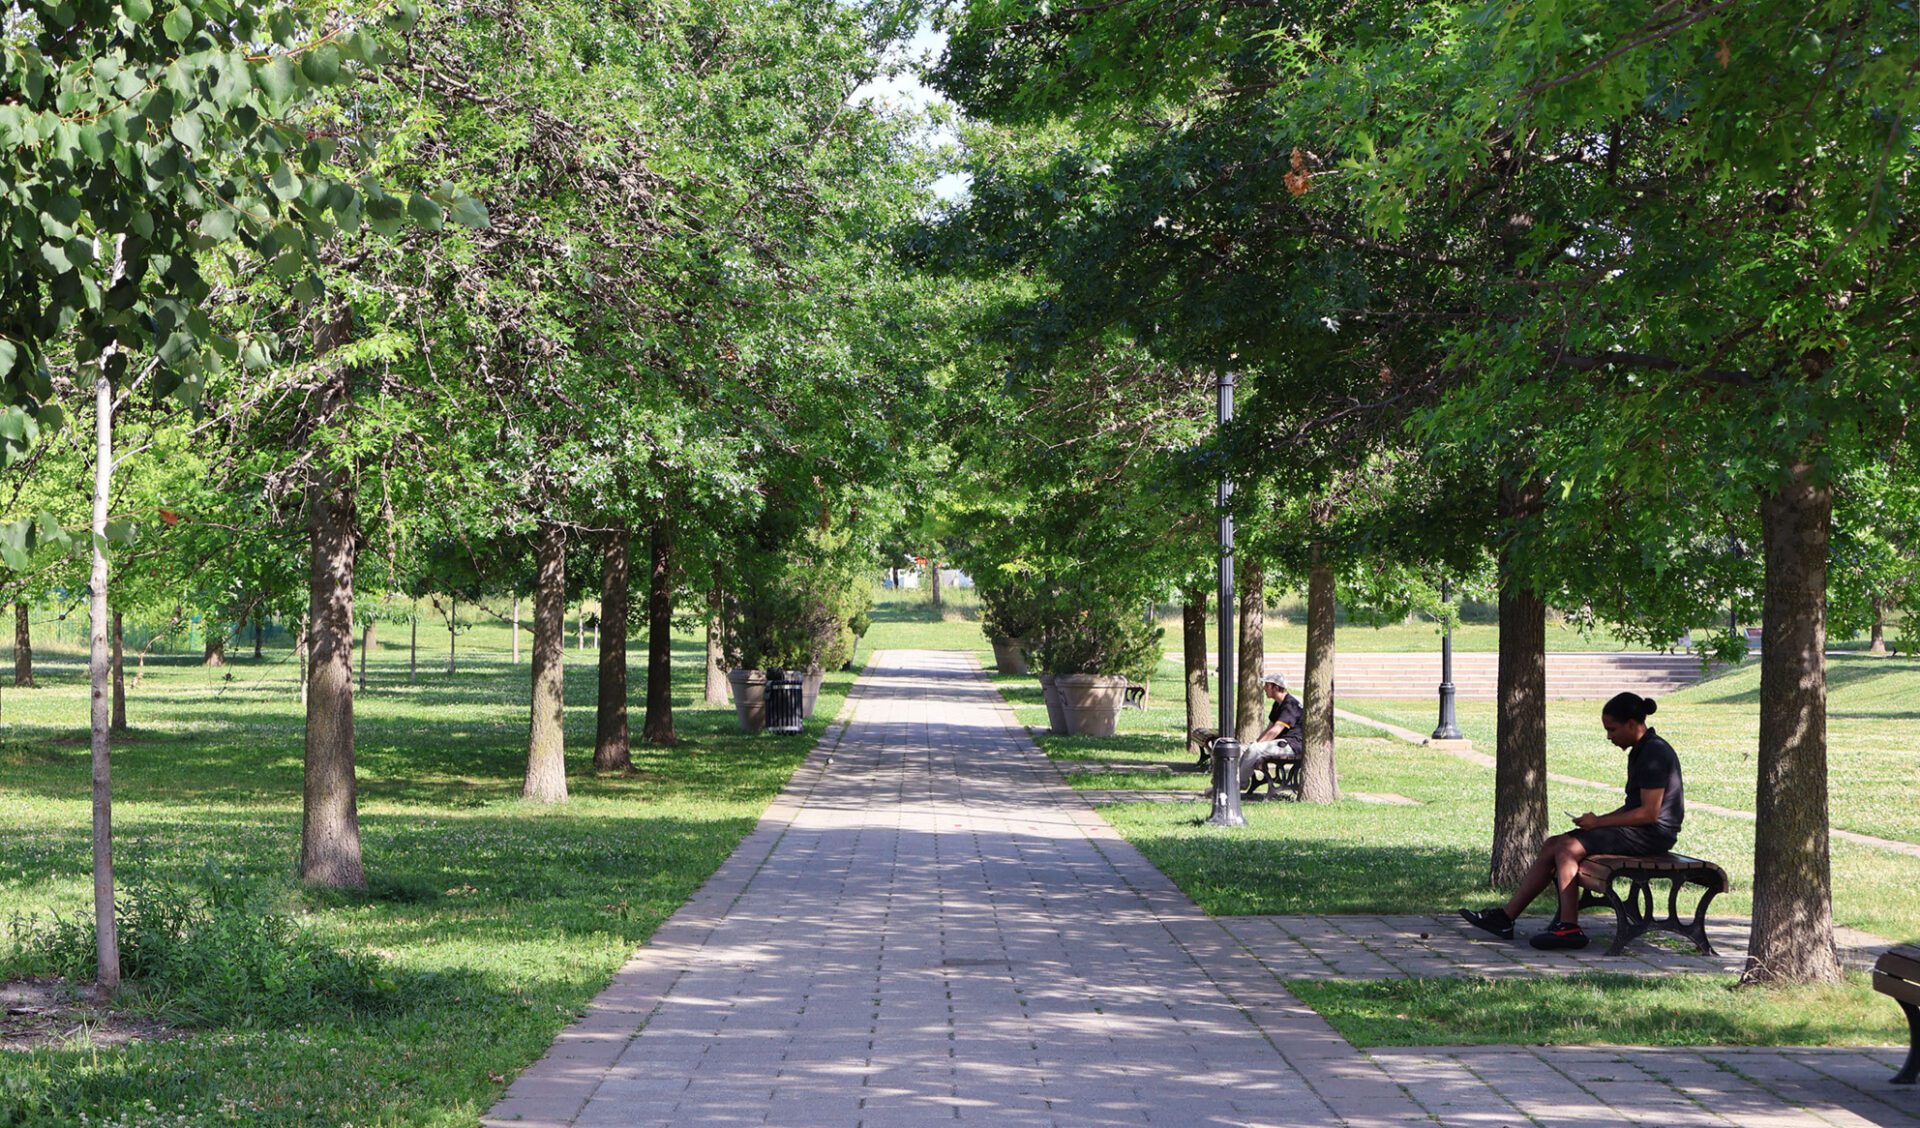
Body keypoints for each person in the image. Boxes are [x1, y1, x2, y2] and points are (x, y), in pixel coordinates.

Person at [1459, 692, 1684, 950]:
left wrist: (1599, 822)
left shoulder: (1654, 753)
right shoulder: (1641, 750)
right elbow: (1635, 807)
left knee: (1567, 848)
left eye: (1612, 729)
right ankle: (1505, 918)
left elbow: (1649, 813)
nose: (1609, 736)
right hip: (1639, 830)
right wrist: (1600, 821)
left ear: (1632, 724)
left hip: (1652, 834)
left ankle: (1569, 928)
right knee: (1554, 844)